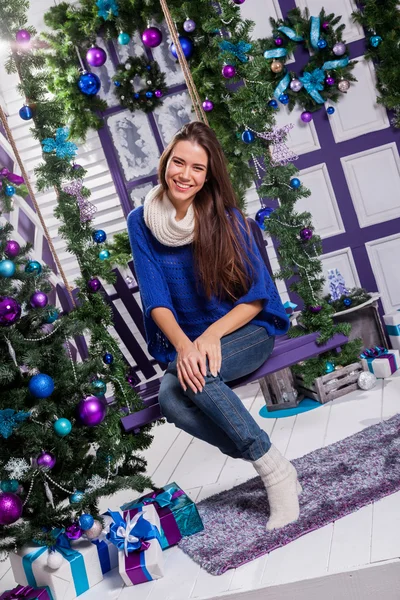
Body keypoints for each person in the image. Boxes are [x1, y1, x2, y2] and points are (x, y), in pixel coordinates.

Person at [128, 121, 301, 530]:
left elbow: (258, 295)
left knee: (196, 375)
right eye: (178, 162)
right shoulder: (143, 221)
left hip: (246, 330)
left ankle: (274, 475)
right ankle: (273, 461)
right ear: (166, 162)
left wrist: (207, 337)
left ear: (208, 176)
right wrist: (186, 347)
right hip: (189, 343)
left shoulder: (226, 218)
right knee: (171, 399)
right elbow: (156, 300)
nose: (184, 175)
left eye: (197, 168)